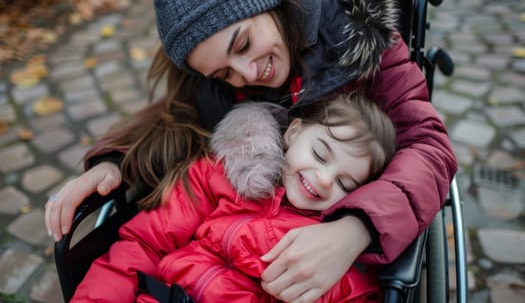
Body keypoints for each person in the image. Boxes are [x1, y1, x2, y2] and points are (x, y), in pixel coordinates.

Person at [46, 0, 457, 301]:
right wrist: (114, 161)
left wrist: (356, 230)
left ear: (262, 3)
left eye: (242, 44)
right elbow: (178, 116)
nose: (247, 74)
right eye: (225, 72)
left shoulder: (360, 41)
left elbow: (430, 147)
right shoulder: (224, 94)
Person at [71, 93, 397, 302]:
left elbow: (354, 294)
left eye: (345, 183)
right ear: (294, 131)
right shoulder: (220, 174)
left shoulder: (326, 247)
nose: (324, 180)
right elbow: (145, 243)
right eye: (320, 154)